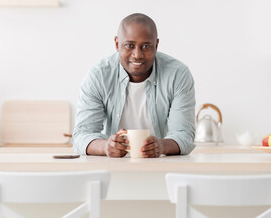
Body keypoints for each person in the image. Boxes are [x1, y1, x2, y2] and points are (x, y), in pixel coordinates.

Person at [72, 13, 195, 158]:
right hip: (112, 165)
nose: (137, 55)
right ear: (117, 44)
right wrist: (106, 146)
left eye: (146, 46)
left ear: (156, 45)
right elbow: (81, 136)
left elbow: (184, 135)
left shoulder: (177, 75)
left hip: (160, 164)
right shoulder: (98, 76)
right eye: (130, 45)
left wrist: (161, 146)